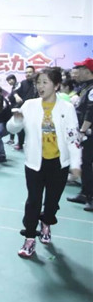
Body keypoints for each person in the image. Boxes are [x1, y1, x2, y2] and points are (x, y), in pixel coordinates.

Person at [6, 67, 81, 257]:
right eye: (38, 82)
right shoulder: (29, 105)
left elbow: (73, 138)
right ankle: (30, 238)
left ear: (56, 85)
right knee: (33, 201)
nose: (40, 86)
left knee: (52, 203)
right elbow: (12, 129)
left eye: (45, 82)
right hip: (34, 163)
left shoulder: (67, 108)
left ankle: (46, 222)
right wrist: (16, 120)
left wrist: (75, 164)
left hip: (59, 164)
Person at [66, 58, 93, 210]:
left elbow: (90, 111)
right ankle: (85, 193)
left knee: (87, 163)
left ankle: (91, 197)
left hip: (88, 133)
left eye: (79, 69)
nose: (76, 72)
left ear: (87, 71)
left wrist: (82, 131)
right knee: (84, 163)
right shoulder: (85, 87)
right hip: (84, 131)